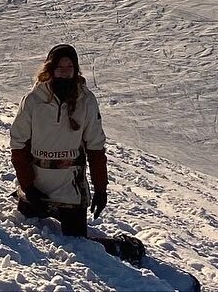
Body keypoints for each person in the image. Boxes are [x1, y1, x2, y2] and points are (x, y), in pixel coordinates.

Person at [9, 44, 144, 265]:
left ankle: (122, 246)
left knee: (77, 240)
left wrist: (101, 189)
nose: (64, 71)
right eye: (60, 66)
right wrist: (28, 186)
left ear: (76, 69)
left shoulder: (86, 101)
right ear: (50, 68)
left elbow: (95, 148)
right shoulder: (34, 100)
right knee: (30, 221)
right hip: (37, 185)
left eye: (69, 66)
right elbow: (18, 145)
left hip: (69, 189)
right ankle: (29, 198)